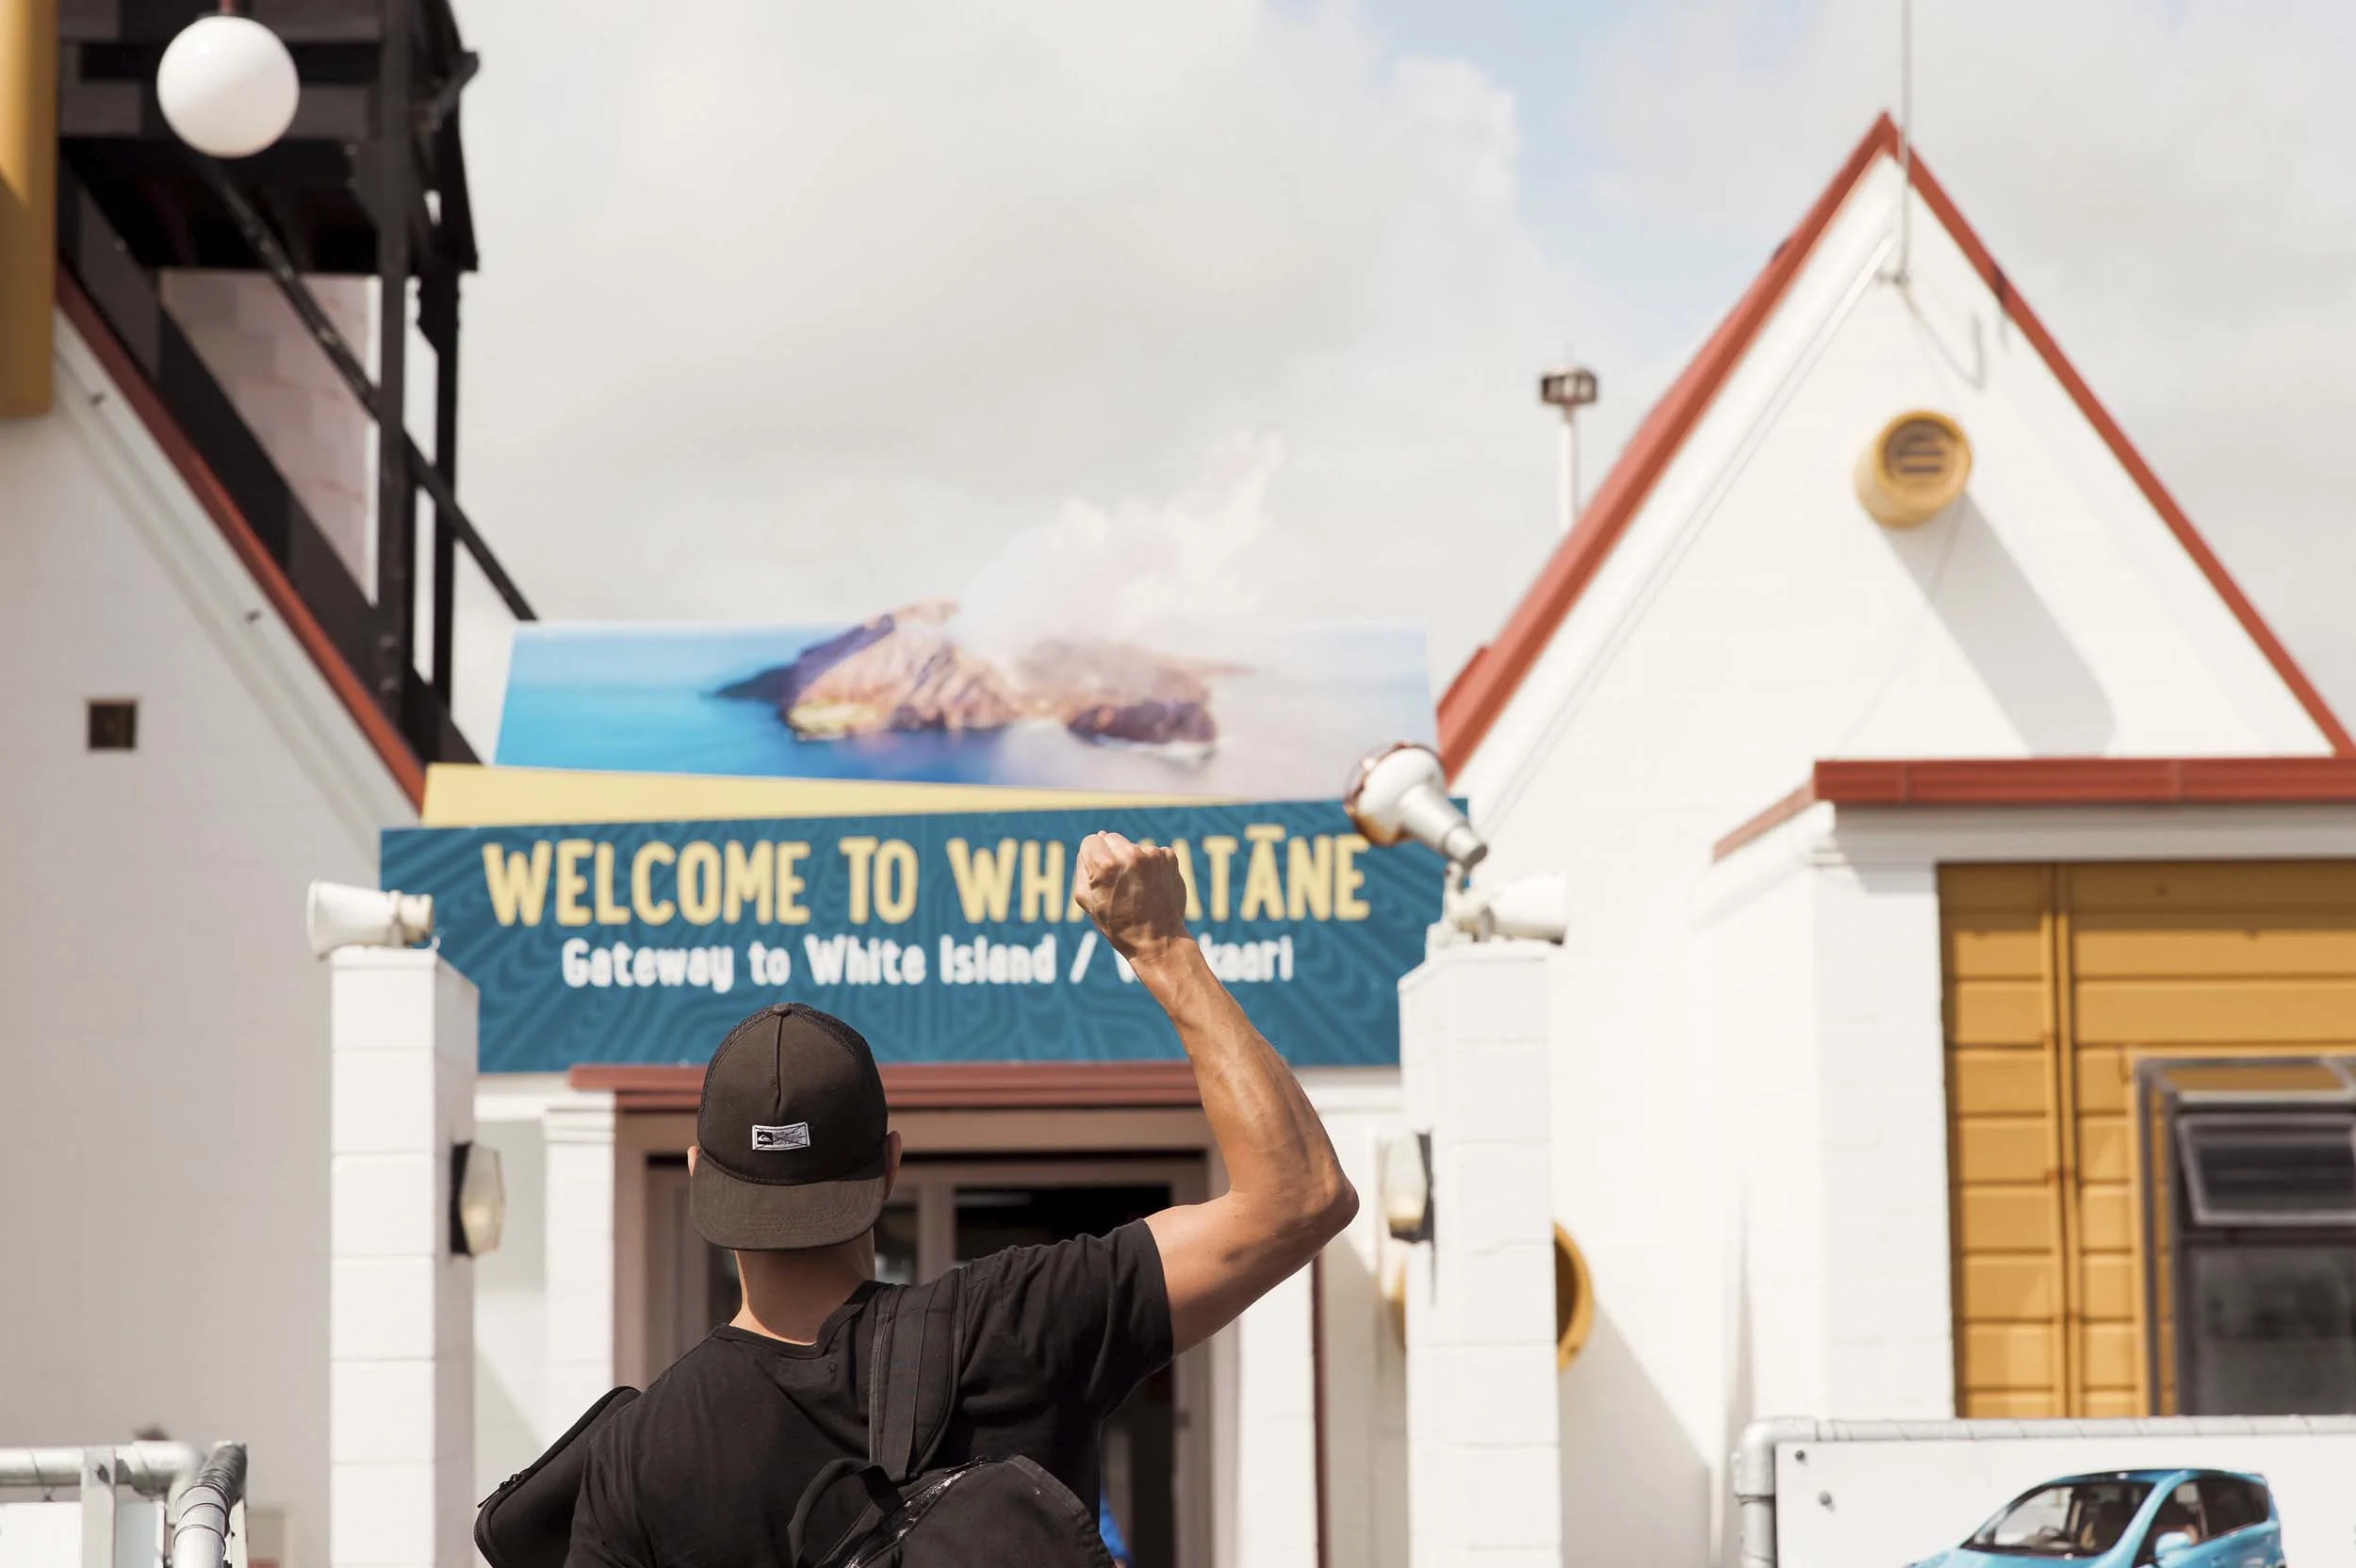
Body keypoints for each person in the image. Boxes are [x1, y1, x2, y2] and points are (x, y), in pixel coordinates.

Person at [566, 831, 1359, 1566]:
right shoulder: (1014, 1324)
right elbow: (1301, 1197)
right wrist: (1161, 947)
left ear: (701, 1171)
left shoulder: (630, 1458)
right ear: (889, 1166)